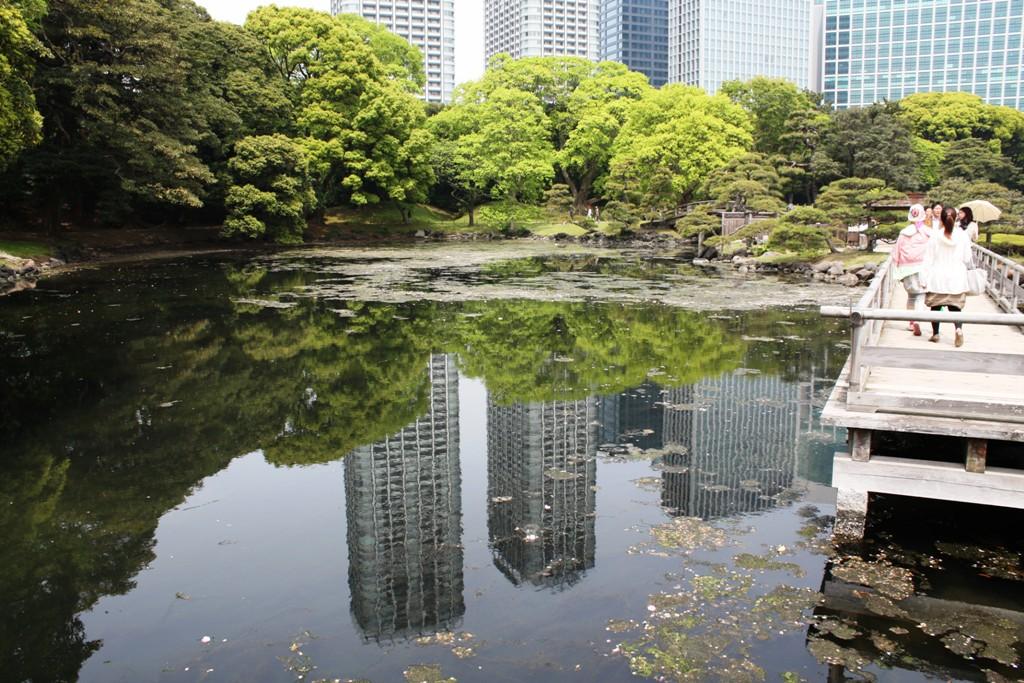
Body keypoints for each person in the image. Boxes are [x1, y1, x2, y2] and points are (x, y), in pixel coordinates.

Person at [924, 207, 972, 347]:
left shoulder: (935, 235)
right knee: (955, 308)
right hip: (956, 277)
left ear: (941, 218)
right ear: (956, 217)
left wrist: (924, 277)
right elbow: (967, 258)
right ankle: (958, 330)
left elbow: (928, 258)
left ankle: (935, 333)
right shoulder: (962, 235)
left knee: (935, 307)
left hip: (937, 277)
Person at [893, 204, 932, 336]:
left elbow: (896, 251)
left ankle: (911, 322)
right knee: (920, 295)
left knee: (910, 296)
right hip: (922, 267)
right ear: (923, 215)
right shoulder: (928, 233)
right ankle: (917, 320)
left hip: (906, 268)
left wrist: (897, 268)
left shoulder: (904, 233)